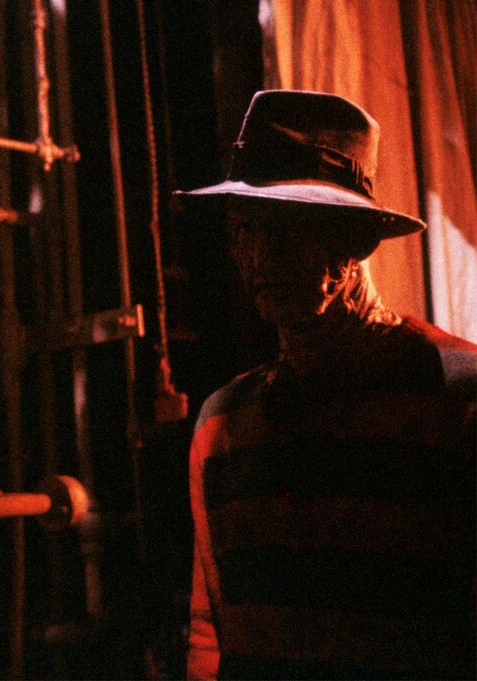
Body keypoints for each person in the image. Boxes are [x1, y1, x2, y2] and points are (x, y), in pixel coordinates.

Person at [176, 90, 477, 679]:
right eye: (244, 231)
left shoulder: (460, 400)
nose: (260, 256)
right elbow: (212, 631)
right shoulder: (222, 422)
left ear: (357, 240)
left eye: (290, 228)